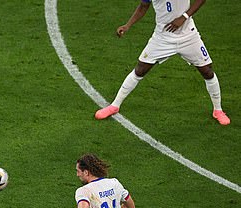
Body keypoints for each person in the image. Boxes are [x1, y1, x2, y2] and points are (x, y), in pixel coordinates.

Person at [95, 0, 230, 126]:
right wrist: (128, 25)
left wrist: (184, 17)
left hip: (188, 36)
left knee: (207, 70)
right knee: (140, 69)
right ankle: (115, 106)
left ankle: (218, 110)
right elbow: (143, 6)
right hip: (162, 37)